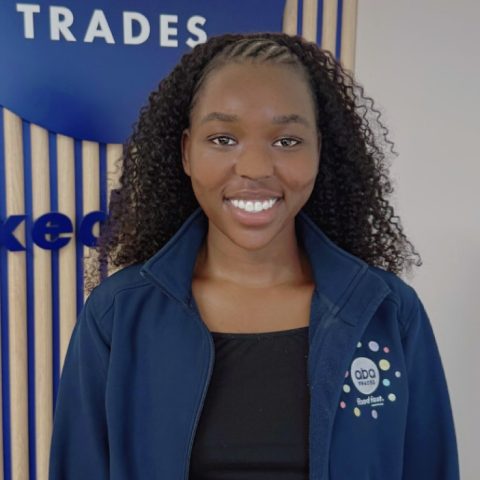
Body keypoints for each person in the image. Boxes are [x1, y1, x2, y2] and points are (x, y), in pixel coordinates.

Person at [48, 32, 460, 479]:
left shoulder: (386, 312)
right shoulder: (117, 315)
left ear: (319, 150)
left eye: (287, 141)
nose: (256, 169)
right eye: (223, 139)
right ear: (187, 152)